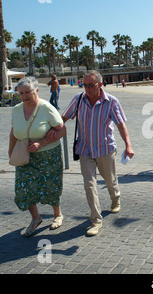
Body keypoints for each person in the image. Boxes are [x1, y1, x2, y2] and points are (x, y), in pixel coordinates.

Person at [62, 70, 135, 236]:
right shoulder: (78, 99)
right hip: (85, 150)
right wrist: (51, 129)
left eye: (90, 85)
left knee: (110, 180)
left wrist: (128, 145)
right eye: (84, 85)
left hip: (105, 148)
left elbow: (121, 125)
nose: (86, 88)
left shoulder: (111, 102)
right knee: (89, 184)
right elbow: (64, 118)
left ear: (100, 85)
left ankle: (115, 198)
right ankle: (96, 220)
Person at [9, 77, 66, 237]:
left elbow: (62, 130)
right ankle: (36, 218)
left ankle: (57, 214)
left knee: (51, 187)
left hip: (48, 156)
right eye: (21, 93)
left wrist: (41, 143)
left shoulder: (46, 108)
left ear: (37, 91)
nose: (25, 96)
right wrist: (11, 152)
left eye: (28, 92)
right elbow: (13, 133)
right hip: (25, 156)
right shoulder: (16, 110)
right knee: (23, 189)